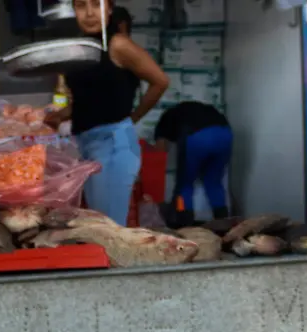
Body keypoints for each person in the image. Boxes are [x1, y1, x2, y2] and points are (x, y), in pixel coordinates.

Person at [46, 0, 168, 226]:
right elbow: (91, 98)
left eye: (97, 4)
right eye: (82, 6)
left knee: (108, 229)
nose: (90, 13)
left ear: (109, 9)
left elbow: (160, 81)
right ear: (74, 10)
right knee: (99, 226)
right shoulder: (84, 46)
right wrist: (59, 116)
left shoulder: (117, 44)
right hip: (87, 144)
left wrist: (132, 118)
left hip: (113, 146)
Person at [153, 101, 232, 223]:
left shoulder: (164, 120)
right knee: (214, 183)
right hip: (225, 134)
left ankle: (184, 223)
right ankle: (224, 223)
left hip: (197, 137)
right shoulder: (194, 109)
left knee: (185, 185)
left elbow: (160, 149)